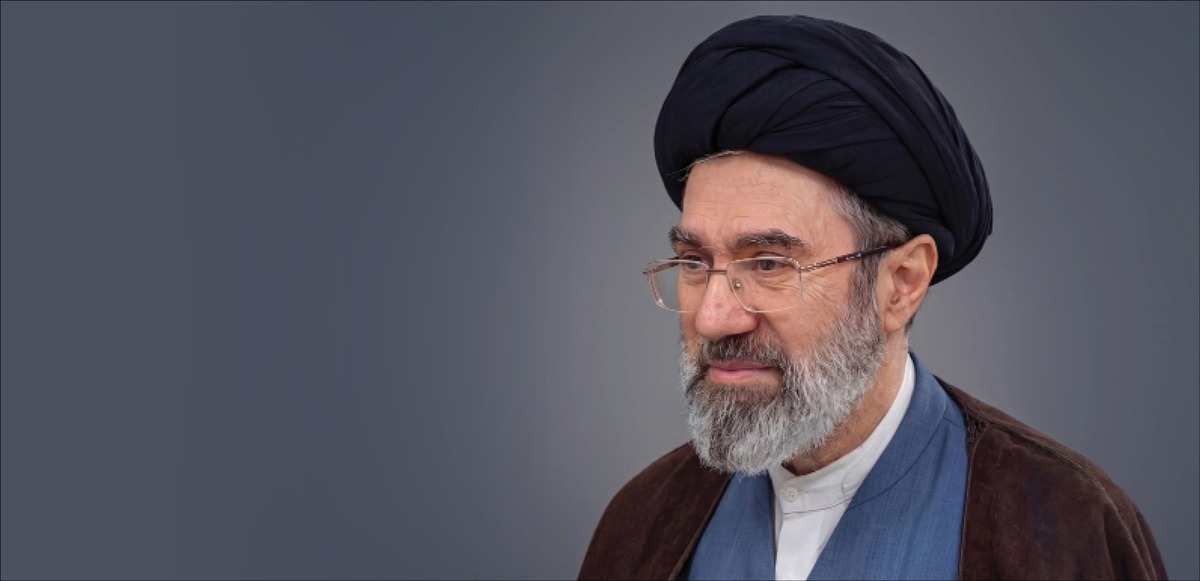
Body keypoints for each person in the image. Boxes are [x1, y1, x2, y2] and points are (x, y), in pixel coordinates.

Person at [578, 15, 1166, 581]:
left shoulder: (1063, 527)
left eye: (768, 264)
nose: (712, 317)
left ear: (902, 282)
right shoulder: (642, 523)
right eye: (694, 263)